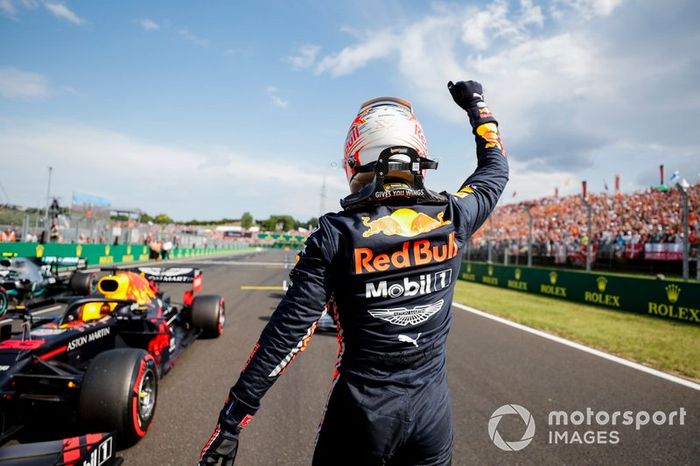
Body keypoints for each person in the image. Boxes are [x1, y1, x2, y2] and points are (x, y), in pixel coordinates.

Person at [198, 80, 508, 465]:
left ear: (355, 159)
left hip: (362, 416)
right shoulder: (454, 215)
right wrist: (476, 105)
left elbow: (287, 336)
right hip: (433, 417)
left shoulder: (335, 234)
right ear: (418, 156)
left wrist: (231, 421)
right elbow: (495, 167)